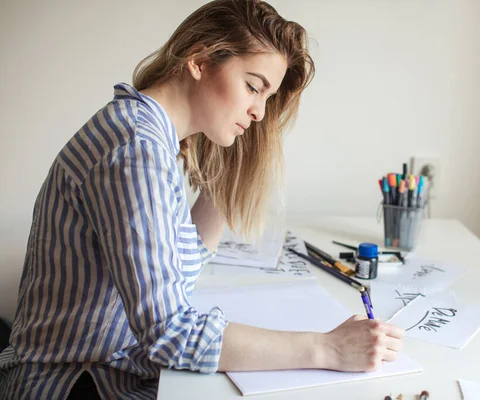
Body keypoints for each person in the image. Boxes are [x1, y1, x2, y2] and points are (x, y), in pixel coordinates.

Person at [0, 0, 404, 399]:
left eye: (267, 97)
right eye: (252, 87)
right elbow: (170, 334)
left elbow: (184, 261)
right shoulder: (135, 149)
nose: (260, 113)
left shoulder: (152, 136)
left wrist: (234, 163)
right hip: (75, 383)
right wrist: (328, 347)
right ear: (199, 60)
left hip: (111, 369)